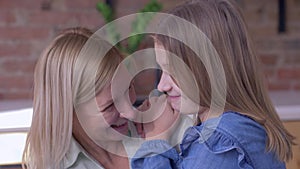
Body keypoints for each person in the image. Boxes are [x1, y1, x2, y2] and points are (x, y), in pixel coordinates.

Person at [131, 0, 295, 168]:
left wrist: (156, 140)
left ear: (210, 69)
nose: (162, 86)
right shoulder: (232, 130)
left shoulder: (219, 142)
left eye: (173, 71)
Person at [22, 27, 140, 169]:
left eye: (129, 89)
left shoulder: (160, 126)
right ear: (68, 112)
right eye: (109, 106)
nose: (132, 113)